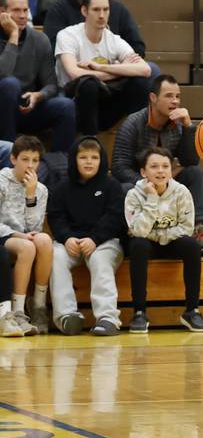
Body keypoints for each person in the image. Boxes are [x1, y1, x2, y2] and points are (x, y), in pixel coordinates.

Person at [111, 74, 203, 256]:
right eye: (169, 96)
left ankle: (198, 230)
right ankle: (130, 237)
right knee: (125, 188)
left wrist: (189, 126)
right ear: (153, 98)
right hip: (140, 185)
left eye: (177, 96)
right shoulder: (132, 124)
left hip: (167, 182)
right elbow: (119, 166)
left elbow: (190, 161)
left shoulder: (179, 123)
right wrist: (149, 184)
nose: (175, 101)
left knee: (195, 173)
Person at [125, 146, 203, 334]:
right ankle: (139, 312)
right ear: (143, 172)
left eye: (165, 166)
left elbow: (187, 227)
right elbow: (137, 230)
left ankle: (192, 310)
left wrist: (159, 236)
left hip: (172, 242)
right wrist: (152, 199)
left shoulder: (182, 192)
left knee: (192, 245)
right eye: (154, 166)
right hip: (146, 244)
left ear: (171, 171)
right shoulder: (133, 195)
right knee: (138, 245)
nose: (160, 171)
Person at [47, 136, 125, 336]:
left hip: (105, 242)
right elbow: (56, 217)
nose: (89, 162)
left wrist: (95, 239)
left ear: (102, 160)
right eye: (83, 157)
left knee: (99, 259)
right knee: (55, 257)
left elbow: (115, 217)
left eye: (94, 157)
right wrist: (66, 238)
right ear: (74, 160)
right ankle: (66, 316)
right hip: (70, 243)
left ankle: (108, 318)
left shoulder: (112, 186)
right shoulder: (62, 187)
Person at [54, 0, 152, 136]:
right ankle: (89, 142)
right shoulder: (68, 35)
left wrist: (101, 67)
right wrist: (118, 71)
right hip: (73, 102)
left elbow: (145, 69)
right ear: (84, 11)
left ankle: (138, 140)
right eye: (96, 10)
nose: (101, 15)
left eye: (106, 10)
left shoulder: (113, 39)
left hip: (105, 105)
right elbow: (74, 73)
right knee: (88, 84)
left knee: (140, 83)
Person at [0, 0, 76, 152]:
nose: (22, 16)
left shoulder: (39, 40)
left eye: (25, 10)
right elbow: (3, 73)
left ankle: (59, 165)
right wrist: (13, 36)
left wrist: (38, 95)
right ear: (2, 12)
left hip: (25, 108)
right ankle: (9, 153)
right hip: (2, 109)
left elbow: (51, 85)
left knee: (66, 106)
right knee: (10, 84)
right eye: (16, 10)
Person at [0, 135, 51, 334]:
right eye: (25, 159)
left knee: (45, 240)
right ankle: (18, 311)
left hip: (25, 236)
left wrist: (31, 196)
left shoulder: (41, 189)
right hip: (4, 234)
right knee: (28, 247)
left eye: (35, 161)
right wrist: (18, 235)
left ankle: (38, 305)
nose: (30, 165)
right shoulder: (2, 180)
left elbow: (35, 227)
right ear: (13, 159)